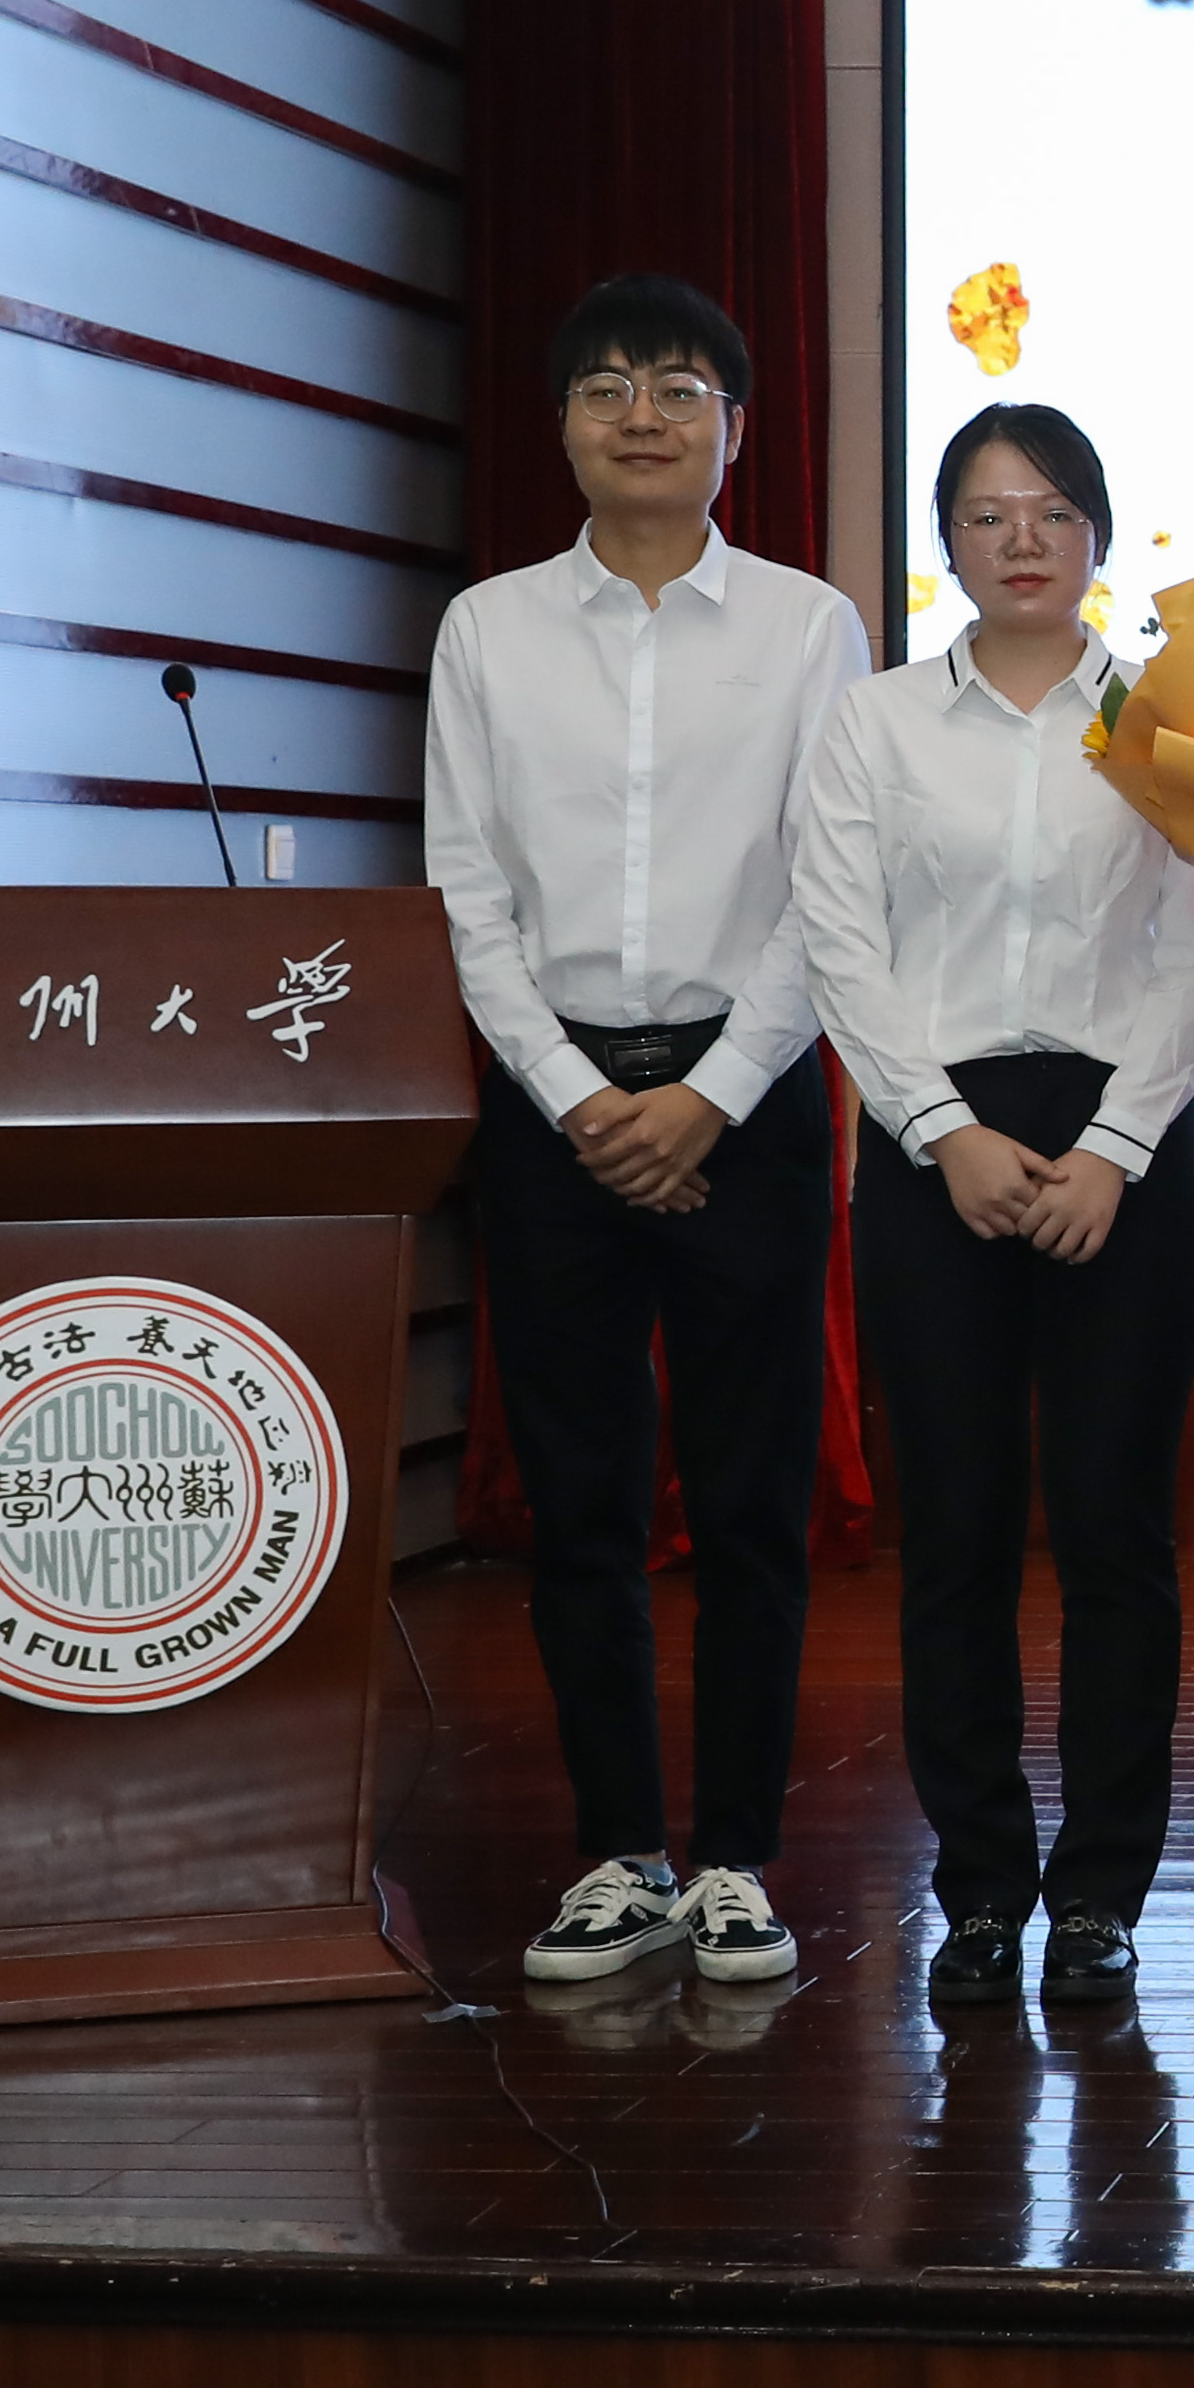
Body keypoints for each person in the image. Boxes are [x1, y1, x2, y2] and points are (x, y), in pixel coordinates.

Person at [425, 272, 869, 1989]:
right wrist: (578, 1098)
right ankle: (617, 1852)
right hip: (555, 1113)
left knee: (752, 1501)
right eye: (605, 385)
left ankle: (739, 1857)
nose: (641, 414)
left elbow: (831, 891)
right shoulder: (489, 631)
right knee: (584, 1504)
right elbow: (466, 895)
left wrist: (707, 1096)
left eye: (680, 387)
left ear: (733, 431)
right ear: (561, 426)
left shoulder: (810, 629)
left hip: (746, 1102)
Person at [797, 401, 1194, 2015]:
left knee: (1118, 1534)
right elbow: (839, 936)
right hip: (940, 1149)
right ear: (949, 544)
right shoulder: (877, 724)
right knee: (958, 1536)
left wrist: (1114, 1145)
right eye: (989, 515)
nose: (1025, 540)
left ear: (1100, 534)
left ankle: (1103, 1893)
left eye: (1054, 510)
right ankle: (983, 1888)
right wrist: (941, 1131)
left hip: (1131, 1139)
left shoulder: (1166, 719)